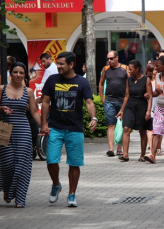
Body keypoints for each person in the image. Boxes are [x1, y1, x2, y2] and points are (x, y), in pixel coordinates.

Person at [0, 62, 41, 208]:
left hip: (23, 129)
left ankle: (20, 199)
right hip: (3, 127)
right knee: (7, 163)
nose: (18, 75)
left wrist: (43, 125)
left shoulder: (29, 91)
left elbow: (33, 112)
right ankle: (7, 189)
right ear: (10, 73)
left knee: (22, 164)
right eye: (15, 72)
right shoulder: (2, 88)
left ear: (25, 75)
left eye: (21, 73)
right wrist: (2, 108)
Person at [41, 51, 97, 207]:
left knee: (74, 163)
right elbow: (45, 102)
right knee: (51, 159)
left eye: (61, 64)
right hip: (55, 127)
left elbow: (89, 103)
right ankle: (56, 184)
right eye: (57, 63)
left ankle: (72, 194)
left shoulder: (82, 82)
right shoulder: (52, 80)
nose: (58, 66)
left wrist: (94, 118)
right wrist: (43, 124)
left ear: (71, 65)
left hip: (75, 128)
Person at [116, 60, 152, 162]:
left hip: (142, 106)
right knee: (126, 128)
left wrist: (148, 111)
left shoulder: (146, 80)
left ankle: (142, 155)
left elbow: (150, 96)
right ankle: (125, 155)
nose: (129, 71)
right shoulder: (129, 80)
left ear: (137, 69)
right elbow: (126, 96)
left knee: (142, 131)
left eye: (131, 69)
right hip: (130, 106)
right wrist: (122, 110)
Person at [99, 51, 128, 157]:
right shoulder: (105, 69)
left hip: (122, 100)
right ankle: (111, 148)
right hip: (109, 100)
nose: (109, 61)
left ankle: (119, 148)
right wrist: (102, 97)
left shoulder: (125, 68)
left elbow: (129, 83)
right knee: (111, 124)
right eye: (108, 59)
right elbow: (101, 83)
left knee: (121, 124)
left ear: (117, 58)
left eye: (111, 58)